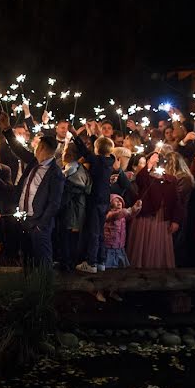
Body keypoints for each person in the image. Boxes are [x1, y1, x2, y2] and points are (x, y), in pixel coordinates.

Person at [0, 112, 65, 267]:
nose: (34, 148)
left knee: (42, 260)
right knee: (27, 260)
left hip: (39, 224)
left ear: (41, 148)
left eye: (37, 146)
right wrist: (7, 128)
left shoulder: (55, 174)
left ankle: (44, 288)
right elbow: (18, 149)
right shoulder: (34, 162)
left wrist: (41, 225)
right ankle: (29, 287)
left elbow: (54, 203)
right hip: (24, 220)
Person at [127, 152, 183, 269]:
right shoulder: (146, 177)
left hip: (162, 219)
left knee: (158, 246)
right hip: (146, 218)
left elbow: (177, 202)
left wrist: (176, 221)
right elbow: (140, 180)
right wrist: (149, 164)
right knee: (144, 245)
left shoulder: (171, 180)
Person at [72, 124, 116, 274]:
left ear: (96, 150)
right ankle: (101, 261)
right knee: (100, 232)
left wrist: (75, 134)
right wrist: (92, 134)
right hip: (105, 200)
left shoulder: (97, 161)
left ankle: (91, 262)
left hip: (95, 200)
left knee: (93, 231)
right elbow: (100, 148)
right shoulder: (110, 160)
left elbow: (85, 151)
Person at [96, 194, 141, 302]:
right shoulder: (109, 214)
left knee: (119, 271)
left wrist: (137, 207)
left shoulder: (123, 215)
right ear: (110, 204)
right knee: (107, 272)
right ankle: (100, 291)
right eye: (116, 201)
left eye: (120, 201)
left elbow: (131, 215)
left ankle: (113, 291)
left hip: (119, 248)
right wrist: (130, 210)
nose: (119, 203)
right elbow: (119, 214)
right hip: (109, 248)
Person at [58, 144, 91, 271]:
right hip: (77, 209)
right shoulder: (78, 168)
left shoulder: (71, 171)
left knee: (68, 237)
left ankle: (67, 263)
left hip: (72, 209)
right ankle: (68, 261)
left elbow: (72, 190)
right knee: (71, 237)